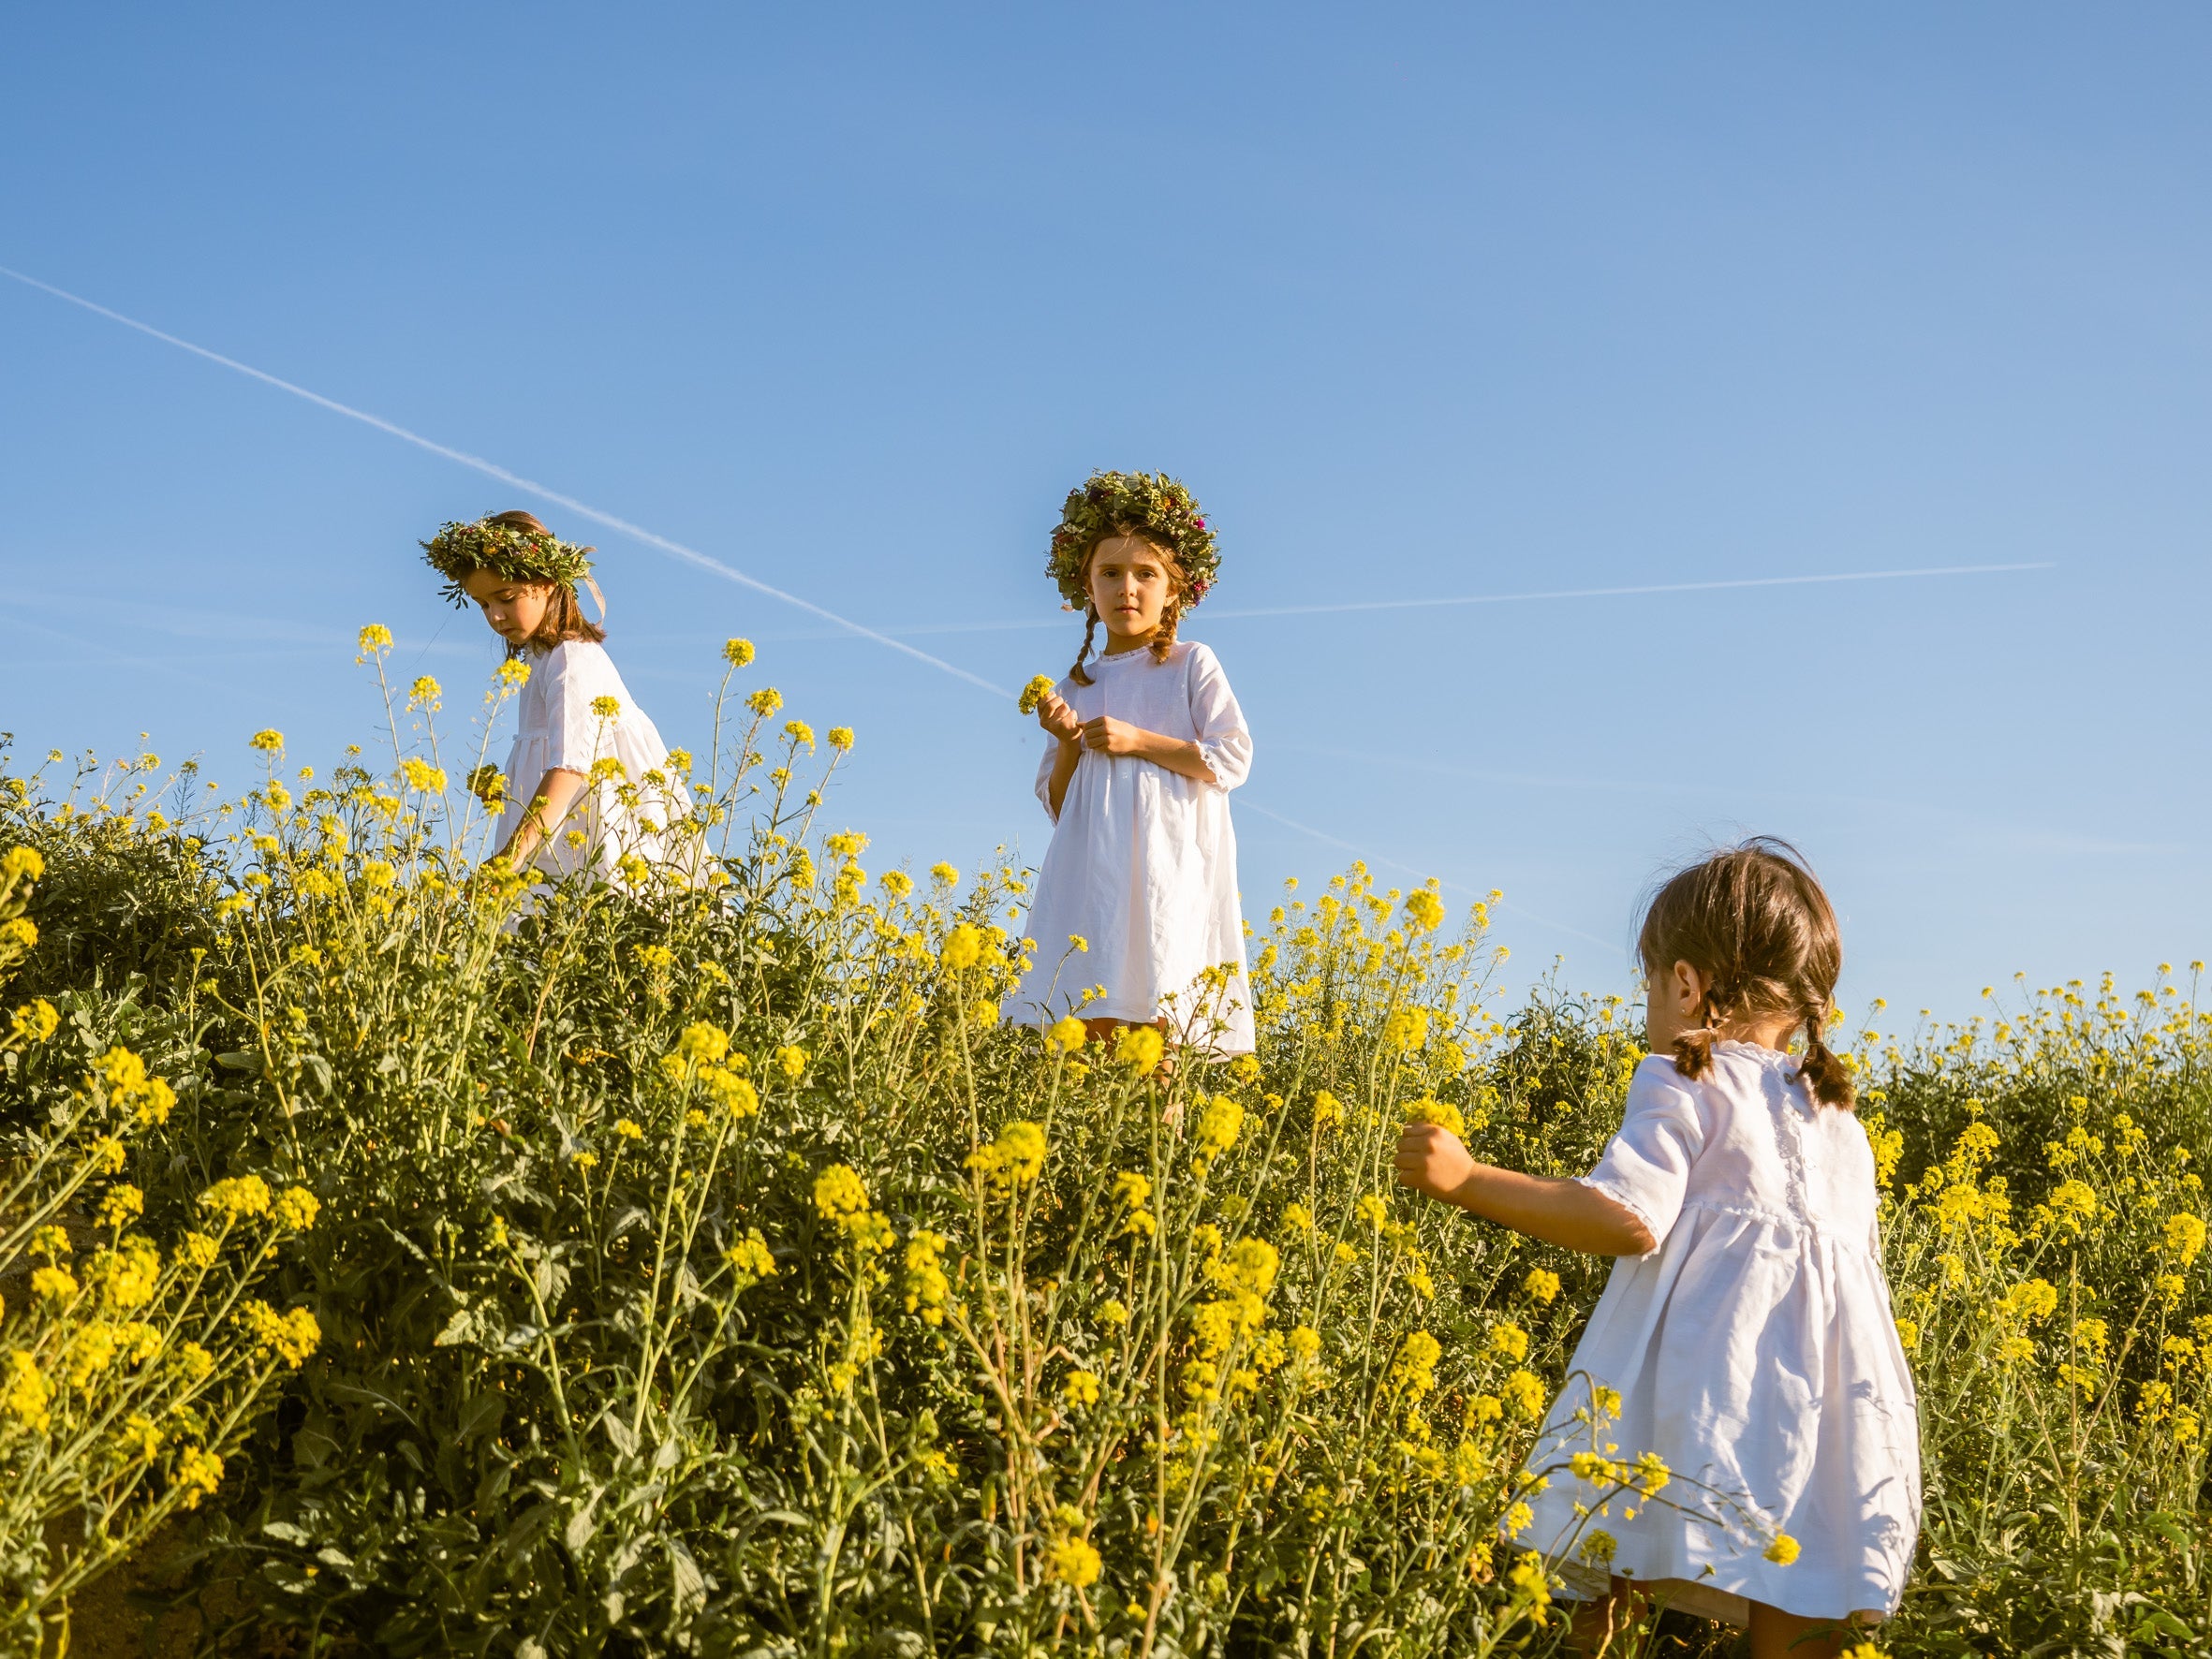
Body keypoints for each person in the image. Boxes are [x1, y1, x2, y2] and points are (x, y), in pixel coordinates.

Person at [1394, 840, 1919, 1656]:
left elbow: (1627, 1215)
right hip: (1823, 1414)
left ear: (1685, 983)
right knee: (1802, 1582)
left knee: (1614, 1557)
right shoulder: (1842, 1121)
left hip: (1696, 1390)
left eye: (1648, 983)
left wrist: (1468, 1178)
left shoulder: (1683, 1076)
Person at [1006, 471, 1255, 1054]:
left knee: (1159, 1026)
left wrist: (1136, 740)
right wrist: (1068, 740)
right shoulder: (1076, 685)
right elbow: (1061, 807)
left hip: (1169, 871)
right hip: (1092, 878)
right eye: (1109, 573)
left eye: (1146, 574)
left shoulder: (1192, 663)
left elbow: (1232, 757)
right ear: (1085, 588)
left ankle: (1158, 1144)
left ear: (1174, 589)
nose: (1127, 588)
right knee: (1085, 1023)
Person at [421, 509, 686, 886]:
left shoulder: (570, 659)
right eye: (483, 605)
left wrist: (505, 862)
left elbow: (569, 769)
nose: (495, 617)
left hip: (594, 849)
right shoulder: (541, 659)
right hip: (558, 844)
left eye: (506, 598)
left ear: (546, 582)